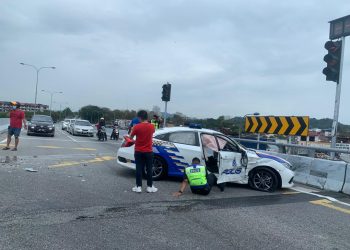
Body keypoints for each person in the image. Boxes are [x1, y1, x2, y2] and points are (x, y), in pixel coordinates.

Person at [129, 110, 157, 193]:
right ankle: (150, 186)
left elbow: (131, 137)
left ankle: (138, 187)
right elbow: (152, 133)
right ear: (147, 117)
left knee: (139, 168)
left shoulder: (136, 127)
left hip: (138, 151)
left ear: (139, 117)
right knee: (149, 169)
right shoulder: (152, 126)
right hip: (148, 151)